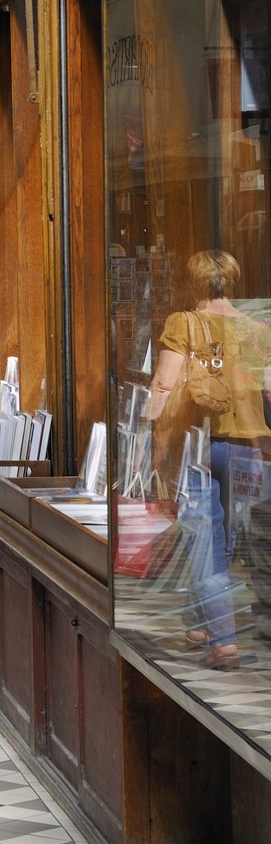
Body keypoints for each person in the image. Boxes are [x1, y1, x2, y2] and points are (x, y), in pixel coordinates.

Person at [146, 249, 271, 670]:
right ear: (230, 282)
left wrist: (152, 444)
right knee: (226, 539)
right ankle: (201, 621)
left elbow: (164, 386)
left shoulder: (184, 322)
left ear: (194, 284)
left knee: (206, 542)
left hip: (199, 445)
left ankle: (224, 640)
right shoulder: (257, 330)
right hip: (248, 449)